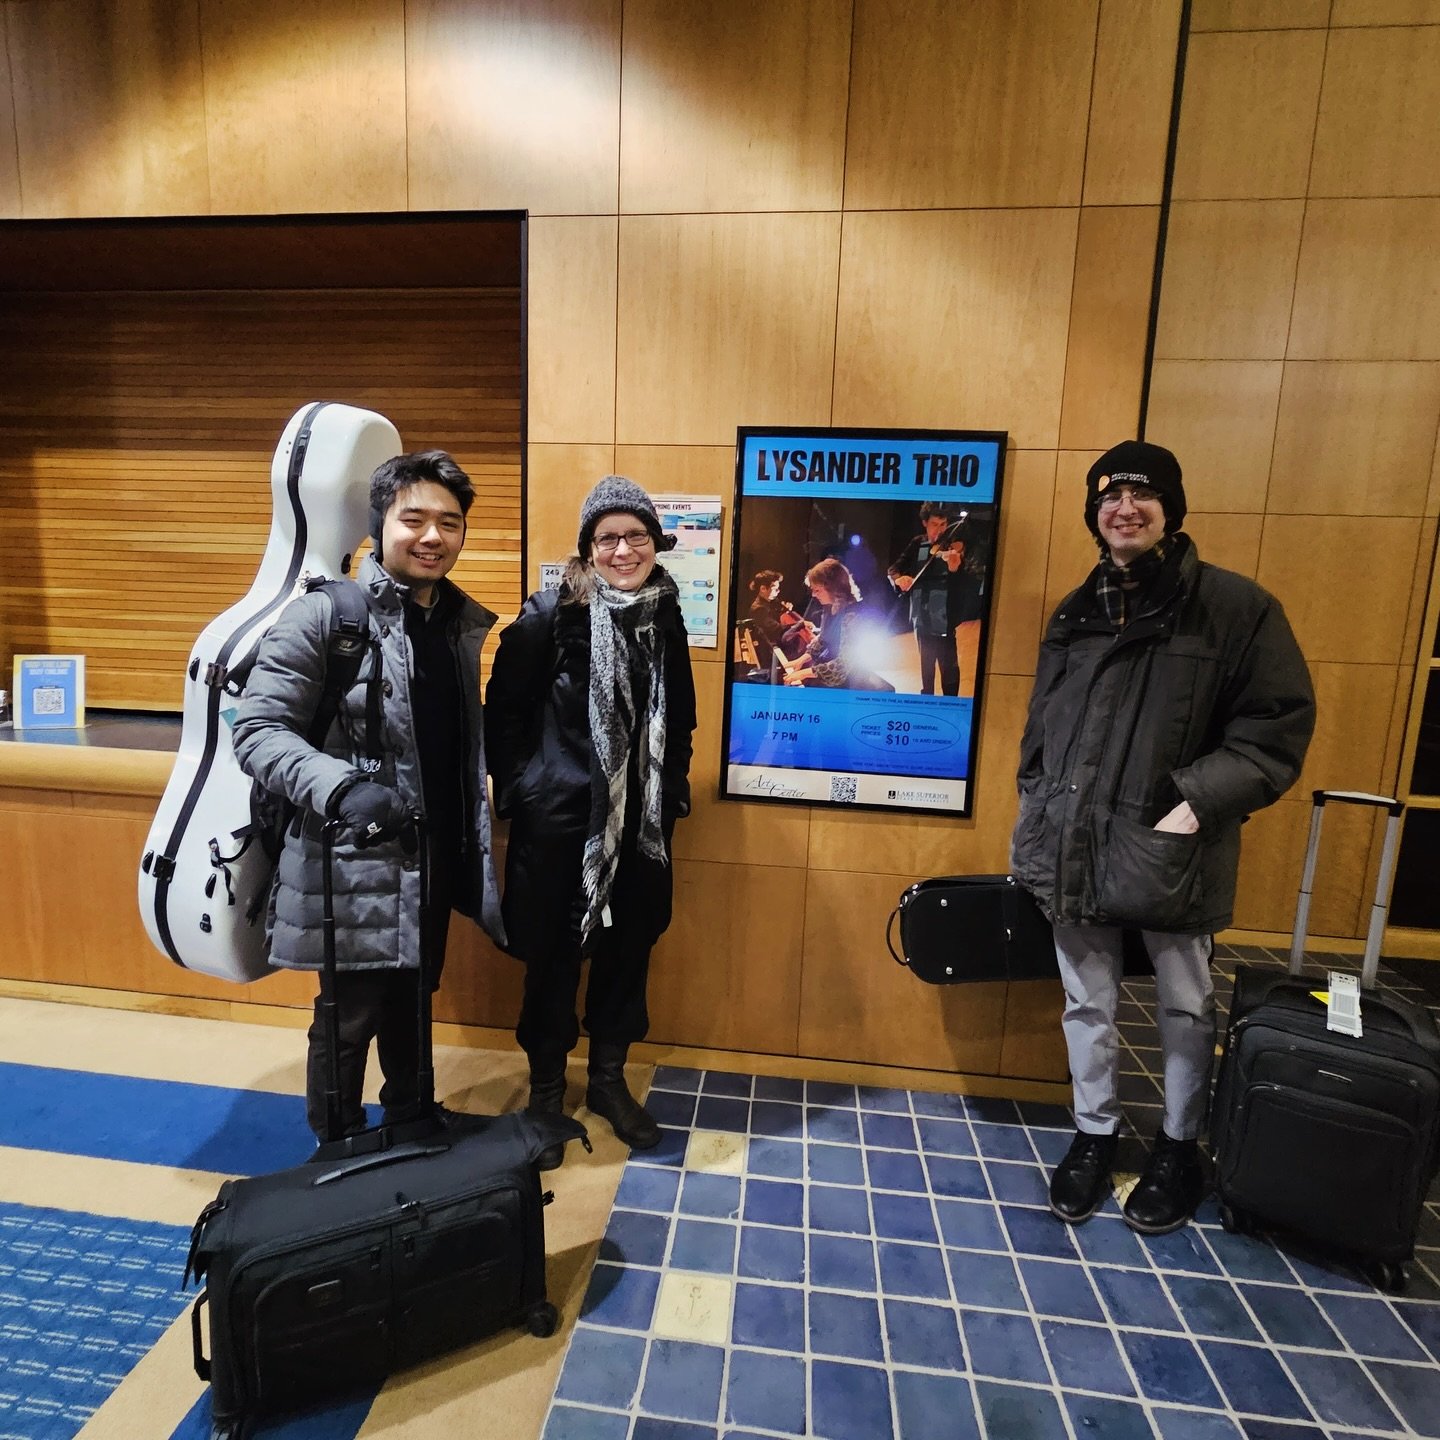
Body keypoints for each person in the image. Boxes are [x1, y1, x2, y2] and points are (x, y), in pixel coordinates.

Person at [1011, 440, 1314, 1235]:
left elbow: (1273, 731)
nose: (1126, 508)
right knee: (1088, 1001)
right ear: (1095, 513)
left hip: (1172, 844)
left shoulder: (1236, 608)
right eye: (1111, 496)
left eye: (1144, 495)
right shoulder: (1076, 611)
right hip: (1073, 836)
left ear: (1171, 510)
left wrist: (1192, 806)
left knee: (1186, 1004)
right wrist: (1036, 797)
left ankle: (1179, 1146)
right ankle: (1094, 1133)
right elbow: (1043, 724)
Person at [234, 450, 506, 1142]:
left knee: (414, 999)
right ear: (379, 523)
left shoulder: (455, 626)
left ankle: (413, 1119)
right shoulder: (329, 617)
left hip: (431, 852)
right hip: (350, 861)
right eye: (413, 518)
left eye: (450, 522)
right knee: (349, 1015)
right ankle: (338, 1144)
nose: (432, 536)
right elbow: (259, 732)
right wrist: (342, 785)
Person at [486, 475, 697, 1167]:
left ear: (655, 543)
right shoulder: (551, 615)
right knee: (550, 963)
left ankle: (607, 1081)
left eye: (636, 535)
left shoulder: (667, 615)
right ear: (587, 549)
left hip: (639, 831)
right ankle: (546, 1094)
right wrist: (528, 792)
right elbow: (505, 715)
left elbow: (683, 717)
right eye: (608, 537)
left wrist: (671, 794)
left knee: (627, 953)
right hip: (559, 831)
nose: (623, 548)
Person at [889, 501, 977, 695]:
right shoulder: (918, 543)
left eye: (944, 524)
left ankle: (950, 703)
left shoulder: (954, 547)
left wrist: (955, 570)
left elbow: (968, 581)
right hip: (920, 614)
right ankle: (926, 698)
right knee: (926, 665)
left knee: (949, 668)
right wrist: (899, 580)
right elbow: (894, 569)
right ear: (925, 523)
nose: (940, 530)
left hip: (944, 615)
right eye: (935, 524)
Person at [783, 557, 892, 691]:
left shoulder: (854, 617)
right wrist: (802, 659)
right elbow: (823, 639)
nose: (813, 595)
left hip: (850, 682)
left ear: (834, 589)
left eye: (817, 590)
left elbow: (841, 668)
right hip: (829, 672)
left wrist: (803, 673)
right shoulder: (829, 607)